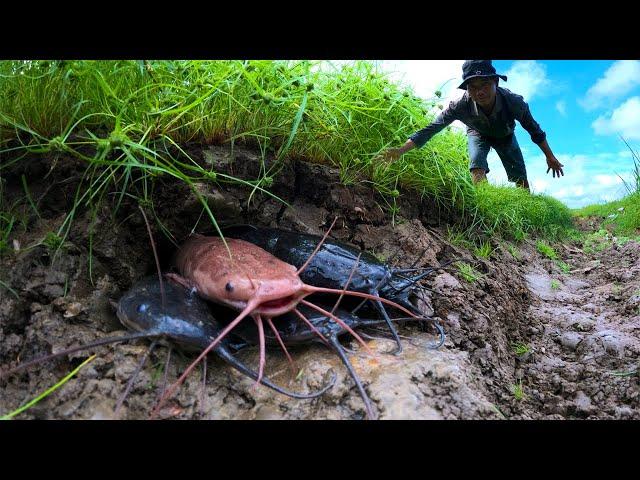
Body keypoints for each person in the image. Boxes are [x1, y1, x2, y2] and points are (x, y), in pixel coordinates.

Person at [382, 60, 564, 190]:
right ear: (467, 89)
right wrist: (400, 150)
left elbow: (535, 130)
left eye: (484, 84)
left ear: (495, 82)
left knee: (519, 178)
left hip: (505, 135)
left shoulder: (514, 102)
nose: (479, 92)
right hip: (477, 132)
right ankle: (486, 202)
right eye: (472, 87)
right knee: (477, 164)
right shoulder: (460, 105)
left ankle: (527, 209)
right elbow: (432, 128)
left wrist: (550, 156)